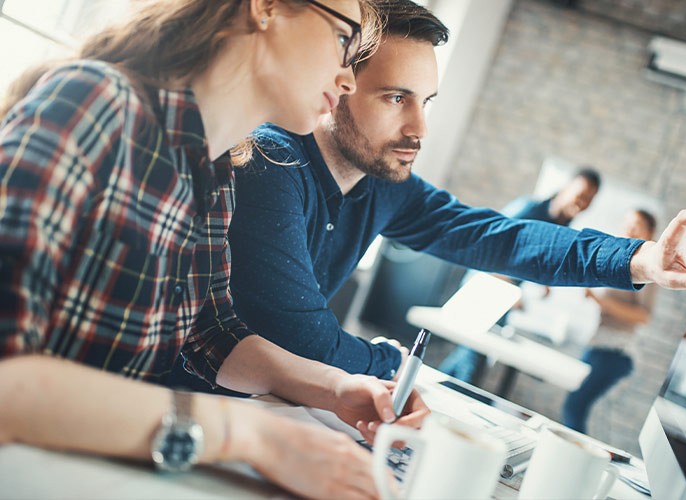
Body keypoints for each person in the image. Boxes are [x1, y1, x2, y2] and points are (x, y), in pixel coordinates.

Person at [0, 2, 429, 499]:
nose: (348, 78)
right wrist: (251, 435)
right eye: (342, 40)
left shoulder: (216, 166)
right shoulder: (97, 102)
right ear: (266, 7)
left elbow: (212, 333)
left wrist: (334, 389)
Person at [205, 0, 686, 388]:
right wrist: (392, 363)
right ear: (339, 83)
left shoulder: (383, 186)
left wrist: (643, 258)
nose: (419, 128)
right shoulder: (270, 164)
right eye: (397, 98)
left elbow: (501, 238)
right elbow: (306, 341)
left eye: (428, 102)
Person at [438, 168, 601, 382]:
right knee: (471, 365)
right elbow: (490, 243)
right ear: (566, 188)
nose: (582, 202)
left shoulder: (561, 225)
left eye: (589, 199)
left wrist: (541, 282)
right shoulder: (529, 209)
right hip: (484, 288)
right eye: (581, 194)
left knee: (466, 359)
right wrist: (511, 290)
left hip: (502, 297)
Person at [561, 209, 658, 434]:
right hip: (597, 345)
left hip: (615, 352)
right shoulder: (621, 261)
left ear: (650, 233)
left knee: (574, 405)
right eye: (626, 224)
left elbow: (643, 316)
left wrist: (598, 300)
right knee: (575, 405)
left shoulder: (647, 267)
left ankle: (578, 463)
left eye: (636, 226)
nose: (628, 230)